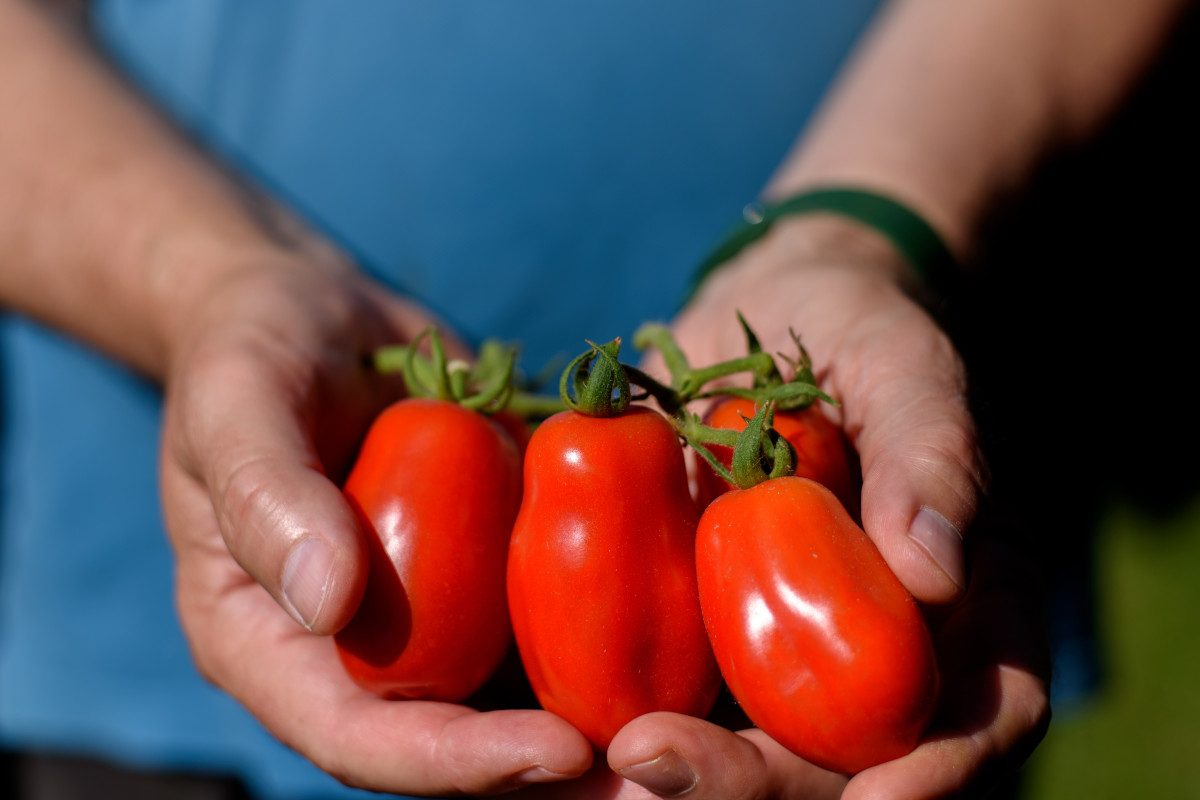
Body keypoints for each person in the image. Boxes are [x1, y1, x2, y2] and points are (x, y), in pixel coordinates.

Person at [0, 0, 1187, 798]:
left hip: (908, 421)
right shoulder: (742, 459)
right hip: (132, 668)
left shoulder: (749, 476)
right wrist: (208, 282)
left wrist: (877, 221)